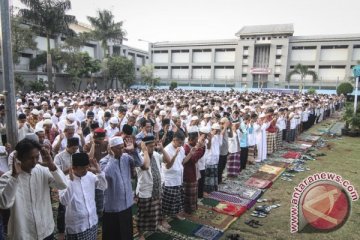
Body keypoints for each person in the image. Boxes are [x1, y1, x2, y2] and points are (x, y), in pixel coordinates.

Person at [0, 138, 67, 239]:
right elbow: (4, 204)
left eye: (37, 157)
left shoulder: (42, 171)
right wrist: (14, 177)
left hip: (46, 231)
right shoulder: (8, 177)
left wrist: (51, 164)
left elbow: (62, 185)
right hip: (23, 234)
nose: (35, 161)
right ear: (20, 158)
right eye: (30, 158)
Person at [100, 136, 146, 240]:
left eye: (122, 147)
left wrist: (133, 151)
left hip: (126, 203)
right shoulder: (104, 161)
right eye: (118, 148)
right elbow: (107, 175)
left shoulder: (126, 157)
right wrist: (112, 158)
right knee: (113, 234)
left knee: (126, 232)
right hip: (113, 205)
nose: (121, 150)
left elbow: (139, 163)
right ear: (111, 148)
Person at [59, 152, 107, 240]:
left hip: (92, 221)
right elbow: (64, 201)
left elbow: (103, 186)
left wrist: (99, 171)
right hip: (77, 226)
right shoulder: (65, 180)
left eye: (87, 167)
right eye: (82, 168)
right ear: (74, 168)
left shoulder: (90, 176)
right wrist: (71, 183)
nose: (85, 170)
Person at [136, 136, 170, 240]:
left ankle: (155, 226)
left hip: (156, 189)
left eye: (153, 146)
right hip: (145, 190)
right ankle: (140, 233)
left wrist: (162, 149)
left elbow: (168, 160)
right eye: (150, 146)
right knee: (143, 214)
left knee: (156, 211)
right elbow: (145, 166)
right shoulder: (139, 157)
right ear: (144, 147)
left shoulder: (155, 154)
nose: (153, 148)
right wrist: (145, 151)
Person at [162, 131, 186, 222]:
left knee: (177, 200)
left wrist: (191, 153)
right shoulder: (167, 149)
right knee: (167, 202)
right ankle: (163, 219)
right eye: (180, 142)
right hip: (169, 180)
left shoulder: (181, 148)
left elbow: (182, 162)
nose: (181, 144)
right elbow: (168, 166)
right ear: (174, 140)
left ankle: (175, 214)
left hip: (178, 178)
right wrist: (175, 155)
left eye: (182, 143)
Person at [183, 130, 205, 214]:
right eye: (196, 140)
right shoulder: (186, 147)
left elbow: (200, 155)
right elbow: (193, 159)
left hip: (193, 171)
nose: (197, 142)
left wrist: (201, 147)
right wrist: (200, 148)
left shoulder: (193, 146)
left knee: (193, 192)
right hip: (188, 173)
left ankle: (192, 208)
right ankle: (188, 210)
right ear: (192, 139)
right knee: (189, 193)